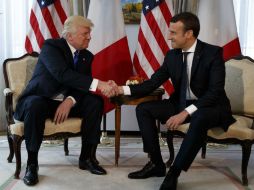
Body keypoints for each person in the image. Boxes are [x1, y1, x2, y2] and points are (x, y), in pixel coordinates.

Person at [115, 12, 236, 190]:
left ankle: (174, 172)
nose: (168, 36)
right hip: (180, 103)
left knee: (200, 117)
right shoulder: (172, 56)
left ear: (189, 34)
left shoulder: (212, 53)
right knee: (144, 109)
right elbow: (152, 83)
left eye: (173, 32)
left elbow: (214, 92)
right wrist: (121, 89)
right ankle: (156, 164)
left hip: (211, 106)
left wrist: (186, 113)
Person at [14, 16, 117, 186]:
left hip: (63, 102)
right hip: (40, 97)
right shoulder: (51, 47)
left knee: (95, 102)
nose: (89, 37)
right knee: (35, 105)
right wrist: (99, 84)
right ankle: (32, 165)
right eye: (85, 33)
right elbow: (62, 74)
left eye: (89, 33)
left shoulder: (86, 56)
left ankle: (87, 158)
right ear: (70, 36)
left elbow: (81, 85)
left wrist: (70, 101)